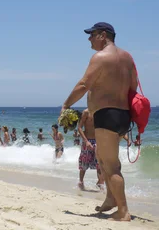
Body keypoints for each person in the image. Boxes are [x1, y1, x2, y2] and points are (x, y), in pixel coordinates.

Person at [60, 22, 135, 221]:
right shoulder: (128, 58)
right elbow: (133, 87)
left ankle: (123, 211)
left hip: (107, 115)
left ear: (103, 35)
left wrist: (66, 104)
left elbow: (84, 84)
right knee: (102, 159)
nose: (89, 39)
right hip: (123, 116)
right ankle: (111, 199)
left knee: (111, 166)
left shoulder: (100, 57)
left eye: (92, 35)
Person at [77, 108, 104, 190]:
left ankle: (100, 184)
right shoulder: (86, 112)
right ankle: (81, 182)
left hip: (98, 141)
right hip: (87, 141)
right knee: (84, 163)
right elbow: (79, 127)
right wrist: (86, 141)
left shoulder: (101, 111)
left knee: (99, 164)